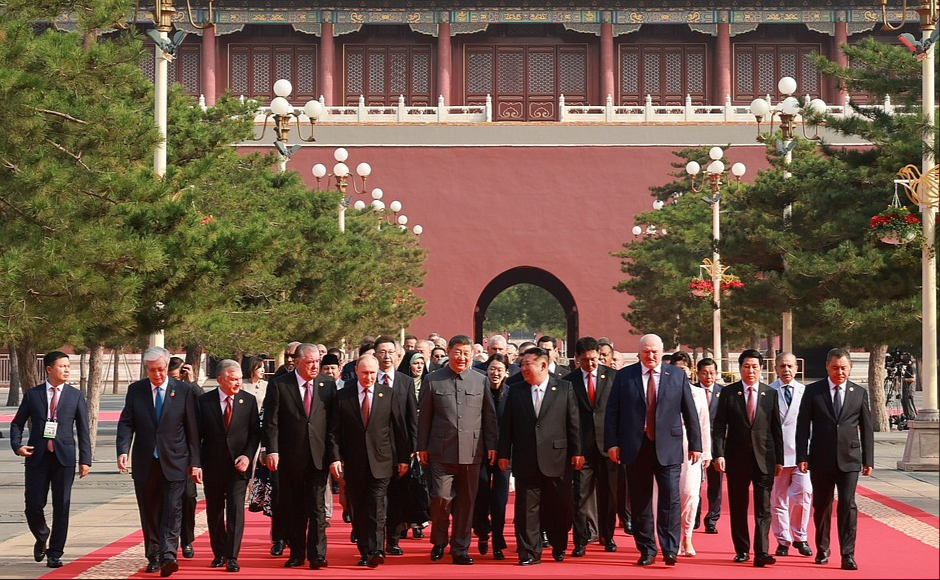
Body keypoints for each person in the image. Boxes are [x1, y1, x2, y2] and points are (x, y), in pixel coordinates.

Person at [604, 333, 702, 567]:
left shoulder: (676, 375)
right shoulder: (625, 376)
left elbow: (689, 412)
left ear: (661, 352)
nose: (650, 356)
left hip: (668, 446)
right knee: (640, 501)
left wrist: (696, 445)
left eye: (654, 352)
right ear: (639, 353)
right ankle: (647, 548)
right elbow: (612, 412)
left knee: (671, 498)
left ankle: (670, 548)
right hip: (635, 446)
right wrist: (612, 443)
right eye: (646, 351)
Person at [116, 346, 201, 577]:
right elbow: (127, 422)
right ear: (146, 369)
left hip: (175, 461)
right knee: (150, 511)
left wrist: (195, 462)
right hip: (146, 462)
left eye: (161, 369)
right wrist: (123, 450)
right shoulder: (136, 391)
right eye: (152, 370)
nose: (157, 374)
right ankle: (153, 555)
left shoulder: (182, 390)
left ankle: (169, 555)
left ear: (167, 367)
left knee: (173, 510)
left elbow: (192, 429)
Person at [417, 334, 498, 566]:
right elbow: (424, 417)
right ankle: (439, 540)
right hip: (440, 451)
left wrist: (491, 445)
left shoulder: (480, 380)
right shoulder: (433, 380)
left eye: (466, 353)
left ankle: (460, 548)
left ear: (472, 355)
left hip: (473, 452)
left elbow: (489, 416)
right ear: (449, 352)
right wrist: (421, 446)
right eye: (457, 352)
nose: (462, 357)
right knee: (440, 498)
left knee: (466, 502)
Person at [498, 346, 583, 566]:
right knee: (526, 509)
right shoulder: (515, 389)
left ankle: (558, 544)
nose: (523, 368)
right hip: (526, 457)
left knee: (558, 507)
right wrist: (503, 453)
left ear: (543, 365)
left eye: (528, 364)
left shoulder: (564, 388)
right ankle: (529, 552)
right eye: (522, 364)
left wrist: (577, 452)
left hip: (558, 458)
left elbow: (573, 423)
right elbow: (507, 425)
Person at [9, 351, 92, 569]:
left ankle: (55, 553)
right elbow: (16, 423)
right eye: (62, 366)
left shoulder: (75, 395)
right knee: (33, 505)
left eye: (68, 366)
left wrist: (86, 459)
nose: (66, 369)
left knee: (62, 506)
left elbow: (84, 430)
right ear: (49, 369)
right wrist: (17, 445)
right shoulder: (33, 394)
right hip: (37, 457)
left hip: (64, 459)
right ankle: (42, 534)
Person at [796, 348, 874, 571]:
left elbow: (867, 428)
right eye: (835, 367)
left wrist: (868, 458)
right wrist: (802, 455)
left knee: (848, 506)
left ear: (849, 368)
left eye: (844, 368)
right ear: (827, 367)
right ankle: (822, 548)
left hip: (849, 459)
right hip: (820, 458)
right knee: (822, 506)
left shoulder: (859, 393)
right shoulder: (813, 392)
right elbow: (802, 426)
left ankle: (847, 554)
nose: (840, 372)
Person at [329, 355, 409, 568]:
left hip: (382, 461)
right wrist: (335, 457)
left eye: (373, 373)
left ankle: (376, 550)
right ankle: (364, 550)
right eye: (365, 373)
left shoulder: (388, 395)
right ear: (356, 371)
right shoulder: (342, 396)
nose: (369, 377)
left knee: (377, 506)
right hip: (354, 463)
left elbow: (399, 429)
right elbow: (334, 432)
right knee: (359, 508)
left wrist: (403, 458)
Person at [263, 343, 337, 570]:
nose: (315, 366)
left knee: (317, 508)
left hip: (318, 456)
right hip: (290, 457)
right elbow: (271, 422)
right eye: (310, 362)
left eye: (317, 362)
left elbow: (333, 425)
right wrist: (272, 450)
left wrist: (335, 457)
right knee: (294, 508)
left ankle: (317, 555)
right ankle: (297, 553)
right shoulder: (279, 385)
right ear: (297, 362)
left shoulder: (327, 385)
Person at [712, 349, 784, 567]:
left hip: (764, 458)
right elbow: (718, 426)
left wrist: (779, 459)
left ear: (761, 369)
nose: (750, 370)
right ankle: (742, 550)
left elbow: (775, 429)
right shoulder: (729, 393)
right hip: (736, 458)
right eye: (746, 366)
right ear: (740, 368)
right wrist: (719, 454)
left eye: (754, 366)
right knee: (738, 505)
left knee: (763, 508)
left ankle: (762, 552)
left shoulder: (769, 394)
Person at [195, 359, 261, 573]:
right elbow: (196, 436)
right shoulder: (204, 402)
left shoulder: (248, 401)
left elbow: (254, 434)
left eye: (239, 379)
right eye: (233, 379)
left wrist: (247, 457)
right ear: (221, 380)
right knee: (214, 512)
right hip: (212, 465)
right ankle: (219, 553)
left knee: (235, 511)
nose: (237, 383)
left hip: (238, 467)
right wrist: (195, 464)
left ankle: (232, 556)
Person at [563, 337, 619, 557]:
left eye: (594, 359)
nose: (590, 364)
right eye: (585, 360)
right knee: (579, 497)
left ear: (600, 355)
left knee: (609, 496)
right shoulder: (569, 381)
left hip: (609, 447)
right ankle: (580, 540)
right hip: (581, 450)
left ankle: (608, 536)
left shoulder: (614, 377)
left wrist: (618, 443)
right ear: (577, 359)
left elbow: (619, 413)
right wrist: (574, 450)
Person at [372, 336, 418, 556]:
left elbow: (411, 419)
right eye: (382, 352)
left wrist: (413, 448)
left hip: (399, 449)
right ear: (375, 355)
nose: (387, 356)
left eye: (391, 352)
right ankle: (374, 540)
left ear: (398, 355)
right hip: (372, 449)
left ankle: (393, 539)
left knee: (397, 496)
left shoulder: (405, 382)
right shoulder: (369, 380)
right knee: (375, 497)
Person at [768, 352, 813, 558]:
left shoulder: (806, 392)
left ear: (796, 368)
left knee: (803, 494)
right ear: (775, 369)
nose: (786, 370)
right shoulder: (768, 392)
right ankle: (782, 540)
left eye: (790, 366)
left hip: (801, 455)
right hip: (777, 456)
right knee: (778, 500)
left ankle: (800, 536)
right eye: (782, 366)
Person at [668, 352, 711, 557]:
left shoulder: (698, 393)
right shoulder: (664, 392)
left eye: (683, 369)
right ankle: (672, 538)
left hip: (692, 451)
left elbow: (703, 425)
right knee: (670, 495)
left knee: (689, 494)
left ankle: (687, 538)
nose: (680, 372)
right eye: (675, 369)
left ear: (690, 369)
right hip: (668, 449)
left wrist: (706, 452)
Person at [472, 353, 511, 560]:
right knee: (481, 496)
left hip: (504, 455)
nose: (495, 373)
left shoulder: (511, 394)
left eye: (499, 370)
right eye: (492, 369)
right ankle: (482, 530)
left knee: (500, 499)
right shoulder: (478, 392)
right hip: (480, 453)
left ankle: (497, 538)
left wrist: (503, 450)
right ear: (486, 371)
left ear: (506, 372)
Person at [168, 356, 204, 560]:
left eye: (177, 376)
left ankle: (187, 540)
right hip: (167, 454)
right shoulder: (165, 390)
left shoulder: (189, 389)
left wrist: (191, 382)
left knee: (188, 498)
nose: (174, 381)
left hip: (188, 455)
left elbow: (204, 405)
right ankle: (167, 543)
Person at [397, 350, 430, 538]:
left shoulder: (429, 383)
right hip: (405, 439)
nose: (419, 367)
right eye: (415, 363)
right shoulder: (401, 383)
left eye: (421, 363)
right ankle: (403, 522)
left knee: (420, 484)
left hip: (423, 439)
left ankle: (419, 521)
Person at [696, 357, 723, 535]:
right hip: (696, 444)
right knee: (694, 484)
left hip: (717, 444)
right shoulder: (691, 390)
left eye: (712, 373)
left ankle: (712, 519)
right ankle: (694, 516)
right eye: (704, 373)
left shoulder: (724, 392)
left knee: (716, 484)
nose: (708, 376)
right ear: (697, 373)